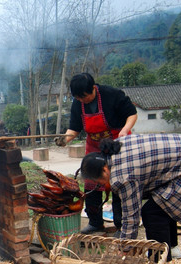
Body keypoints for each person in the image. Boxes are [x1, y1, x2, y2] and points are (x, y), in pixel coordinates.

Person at [79, 133, 181, 264]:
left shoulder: (123, 176)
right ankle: (172, 248)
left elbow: (131, 217)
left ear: (105, 170)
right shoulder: (115, 148)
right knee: (162, 204)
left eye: (99, 181)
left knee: (152, 213)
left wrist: (124, 249)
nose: (101, 185)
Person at [55, 73, 137, 235]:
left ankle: (121, 225)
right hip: (94, 146)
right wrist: (65, 140)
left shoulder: (112, 94)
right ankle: (95, 223)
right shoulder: (78, 103)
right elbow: (74, 128)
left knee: (118, 185)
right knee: (91, 186)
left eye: (84, 97)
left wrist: (125, 130)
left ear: (93, 88)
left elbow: (132, 113)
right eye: (78, 98)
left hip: (116, 144)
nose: (82, 100)